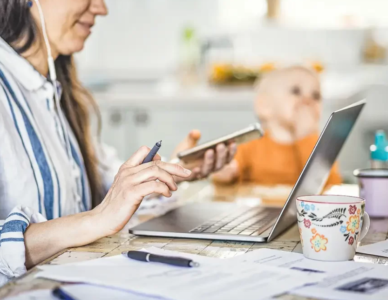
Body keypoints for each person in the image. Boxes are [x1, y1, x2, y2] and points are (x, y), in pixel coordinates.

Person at [0, 0, 236, 285]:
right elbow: (105, 212)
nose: (101, 8)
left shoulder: (60, 93)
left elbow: (109, 191)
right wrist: (96, 219)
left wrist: (173, 171)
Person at [213, 66, 341, 186]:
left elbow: (331, 186)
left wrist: (306, 137)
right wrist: (224, 172)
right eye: (296, 91)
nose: (307, 100)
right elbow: (226, 178)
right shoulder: (251, 144)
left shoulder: (318, 145)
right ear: (265, 106)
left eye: (316, 95)